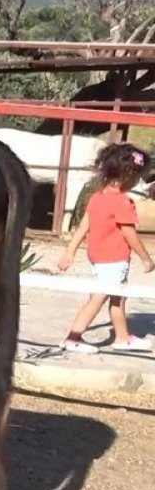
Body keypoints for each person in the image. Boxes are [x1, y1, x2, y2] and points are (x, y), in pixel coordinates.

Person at [56, 142, 155, 353]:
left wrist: (69, 252)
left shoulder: (97, 197)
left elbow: (84, 226)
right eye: (137, 177)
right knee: (98, 298)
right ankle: (73, 337)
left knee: (118, 297)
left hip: (98, 257)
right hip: (114, 259)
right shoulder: (123, 202)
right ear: (128, 175)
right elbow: (129, 233)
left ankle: (122, 337)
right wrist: (146, 258)